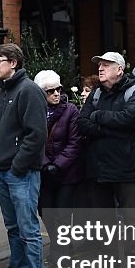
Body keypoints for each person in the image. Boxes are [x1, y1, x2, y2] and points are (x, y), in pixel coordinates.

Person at [0, 43, 48, 268]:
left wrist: (17, 166)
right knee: (13, 228)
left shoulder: (29, 90)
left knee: (28, 229)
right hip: (1, 170)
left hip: (20, 173)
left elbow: (36, 134)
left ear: (14, 63)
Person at [77, 51, 135, 268]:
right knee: (102, 216)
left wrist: (98, 117)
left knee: (131, 217)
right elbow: (82, 123)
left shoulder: (134, 91)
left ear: (119, 69)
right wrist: (107, 124)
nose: (101, 68)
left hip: (126, 165)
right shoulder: (95, 94)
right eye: (99, 65)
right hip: (99, 166)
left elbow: (128, 120)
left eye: (106, 64)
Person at [34, 70, 83, 243]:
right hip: (43, 173)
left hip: (66, 173)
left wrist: (58, 164)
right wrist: (45, 164)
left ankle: (61, 253)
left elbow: (74, 142)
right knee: (45, 212)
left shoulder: (71, 110)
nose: (56, 94)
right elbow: (32, 140)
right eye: (50, 91)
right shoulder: (35, 111)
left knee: (62, 216)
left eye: (59, 89)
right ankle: (59, 244)